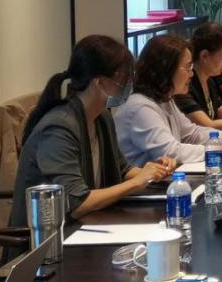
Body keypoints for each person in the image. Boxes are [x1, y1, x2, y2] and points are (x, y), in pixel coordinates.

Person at [11, 36, 175, 225]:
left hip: (87, 225)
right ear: (100, 82)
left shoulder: (101, 117)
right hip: (46, 236)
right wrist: (137, 182)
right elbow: (76, 203)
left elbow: (122, 170)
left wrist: (155, 171)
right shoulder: (58, 128)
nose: (128, 86)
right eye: (123, 79)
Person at [115, 36, 222, 166]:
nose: (191, 74)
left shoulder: (164, 99)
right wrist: (221, 149)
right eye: (188, 67)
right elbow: (170, 151)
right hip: (147, 184)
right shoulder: (140, 107)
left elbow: (191, 134)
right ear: (167, 68)